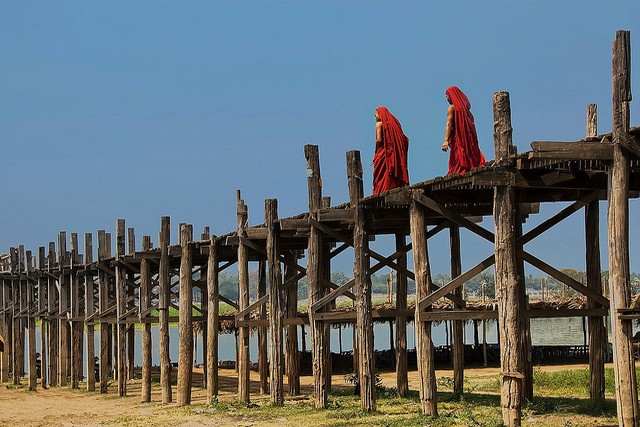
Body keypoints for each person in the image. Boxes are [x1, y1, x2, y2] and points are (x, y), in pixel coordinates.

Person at [441, 86, 486, 175]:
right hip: (469, 142)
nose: (446, 99)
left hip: (458, 141)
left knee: (459, 158)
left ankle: (460, 171)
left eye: (447, 96)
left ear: (452, 95)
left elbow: (449, 124)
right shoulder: (468, 113)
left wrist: (445, 140)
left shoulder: (452, 108)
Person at [372, 106, 409, 195]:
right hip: (390, 153)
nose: (375, 115)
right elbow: (404, 139)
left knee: (381, 174)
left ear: (381, 114)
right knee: (387, 172)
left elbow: (379, 140)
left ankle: (381, 191)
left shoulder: (379, 124)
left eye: (376, 113)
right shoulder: (393, 125)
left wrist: (376, 151)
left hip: (383, 153)